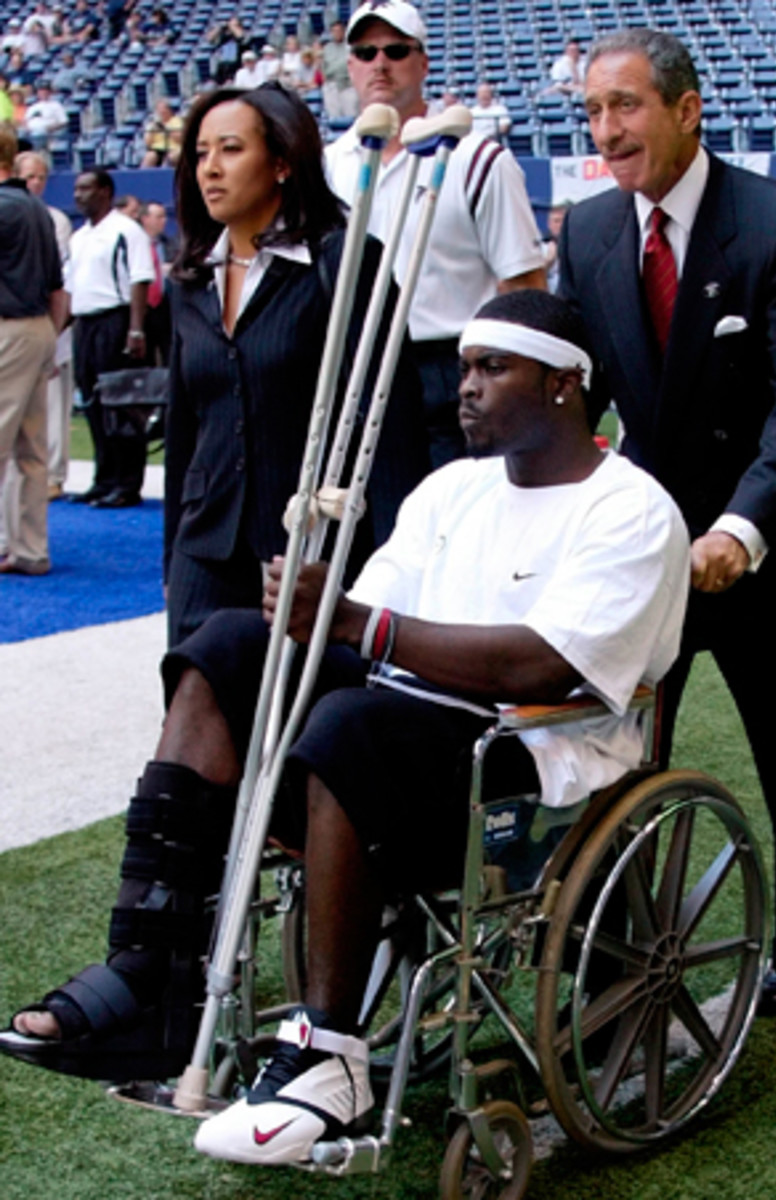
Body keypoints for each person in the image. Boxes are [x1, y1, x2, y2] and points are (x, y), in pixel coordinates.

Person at [0, 291, 690, 1171]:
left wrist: (361, 626)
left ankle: (330, 1051)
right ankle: (152, 971)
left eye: (491, 367)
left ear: (561, 385)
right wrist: (312, 606)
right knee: (223, 646)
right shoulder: (452, 489)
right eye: (465, 366)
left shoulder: (629, 509)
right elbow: (365, 618)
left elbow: (540, 667)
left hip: (527, 757)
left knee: (352, 723)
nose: (464, 386)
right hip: (399, 727)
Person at [558, 28, 776, 1016]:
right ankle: (611, 961)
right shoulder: (588, 231)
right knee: (611, 753)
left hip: (762, 547)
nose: (604, 129)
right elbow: (575, 393)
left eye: (624, 106)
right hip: (648, 552)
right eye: (591, 111)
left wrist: (739, 530)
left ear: (686, 110)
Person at [160, 82, 427, 646]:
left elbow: (391, 426)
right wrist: (170, 559)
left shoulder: (344, 258)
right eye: (201, 153)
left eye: (230, 150)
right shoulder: (188, 280)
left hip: (313, 547)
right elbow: (185, 429)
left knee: (298, 725)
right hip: (204, 547)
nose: (210, 168)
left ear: (281, 162)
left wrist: (397, 570)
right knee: (192, 709)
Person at [326, 0, 547, 468]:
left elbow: (524, 289)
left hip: (453, 369)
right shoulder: (328, 166)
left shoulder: (477, 159)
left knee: (466, 532)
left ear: (423, 62)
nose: (379, 64)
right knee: (377, 534)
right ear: (350, 66)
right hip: (361, 370)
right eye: (365, 53)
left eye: (396, 50)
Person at [65, 169, 154, 509]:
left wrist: (135, 328)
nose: (78, 195)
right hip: (85, 323)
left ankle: (128, 483)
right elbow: (71, 288)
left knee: (119, 405)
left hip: (115, 320)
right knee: (91, 402)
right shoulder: (79, 237)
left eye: (85, 188)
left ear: (104, 191)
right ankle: (103, 479)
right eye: (75, 189)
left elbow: (140, 278)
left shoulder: (126, 230)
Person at [0, 124, 64, 576]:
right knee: (31, 448)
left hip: (8, 330)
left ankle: (26, 549)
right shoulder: (37, 210)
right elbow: (58, 289)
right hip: (39, 326)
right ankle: (30, 549)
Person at [14, 149, 73, 501]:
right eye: (30, 176)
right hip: (27, 319)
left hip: (43, 318)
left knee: (49, 406)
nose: (36, 183)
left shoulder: (55, 220)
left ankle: (54, 473)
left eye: (41, 177)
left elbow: (58, 281)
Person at [139, 199, 174, 367]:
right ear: (145, 219)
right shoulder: (135, 244)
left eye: (165, 216)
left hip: (165, 306)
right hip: (144, 307)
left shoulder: (170, 245)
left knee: (170, 354)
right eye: (159, 216)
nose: (164, 220)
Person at [320, 19, 357, 119]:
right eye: (334, 31)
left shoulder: (351, 47)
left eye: (339, 30)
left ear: (344, 31)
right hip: (332, 86)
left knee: (350, 115)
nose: (337, 33)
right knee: (334, 117)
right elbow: (323, 68)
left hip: (348, 85)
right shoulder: (327, 48)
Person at [23, 78, 67, 147]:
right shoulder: (33, 107)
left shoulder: (56, 105)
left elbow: (64, 122)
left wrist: (50, 128)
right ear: (37, 93)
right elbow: (26, 121)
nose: (43, 93)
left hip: (47, 132)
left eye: (45, 91)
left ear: (50, 92)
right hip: (30, 132)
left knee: (38, 134)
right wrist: (27, 128)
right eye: (41, 91)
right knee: (20, 134)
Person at [140, 98, 183, 168]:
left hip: (173, 148)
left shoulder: (177, 121)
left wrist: (166, 129)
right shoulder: (154, 123)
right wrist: (151, 131)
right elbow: (148, 142)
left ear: (169, 110)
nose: (161, 111)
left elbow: (180, 139)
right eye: (159, 109)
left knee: (170, 158)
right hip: (157, 149)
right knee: (149, 157)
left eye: (163, 109)